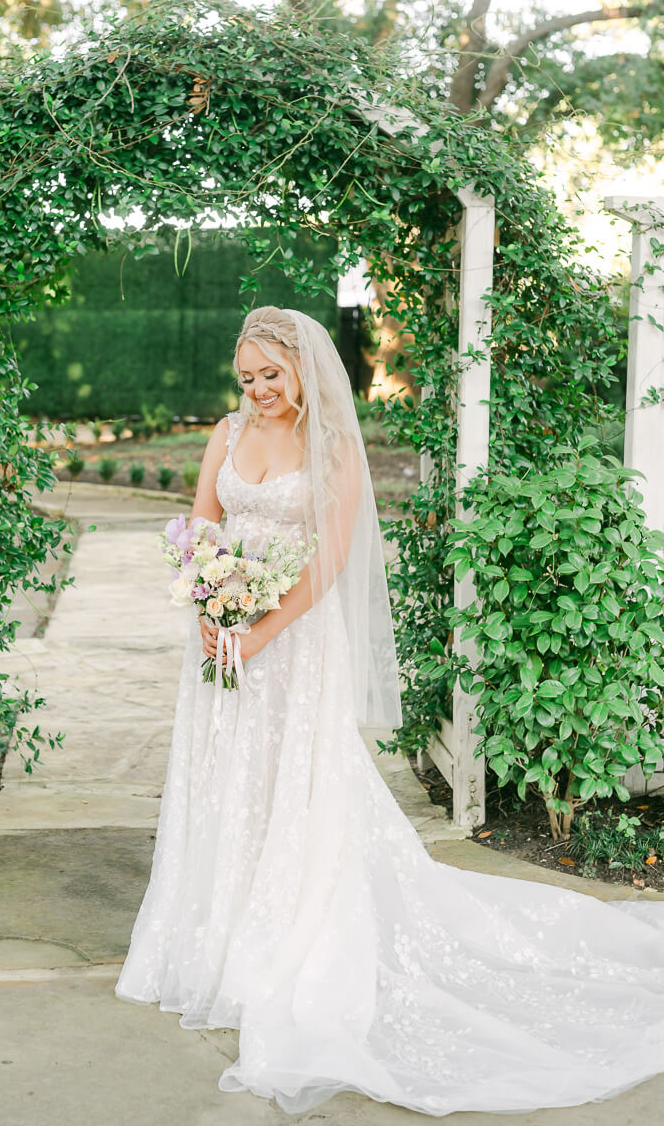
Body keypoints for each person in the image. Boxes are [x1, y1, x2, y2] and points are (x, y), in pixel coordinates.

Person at [116, 305, 664, 1116]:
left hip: (294, 642)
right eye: (247, 378)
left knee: (294, 780)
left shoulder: (332, 448)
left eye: (271, 374)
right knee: (223, 777)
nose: (258, 390)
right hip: (220, 643)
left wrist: (260, 631)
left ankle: (286, 927)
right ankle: (213, 934)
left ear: (302, 368)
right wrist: (207, 599)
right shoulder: (225, 436)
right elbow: (203, 520)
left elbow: (332, 558)